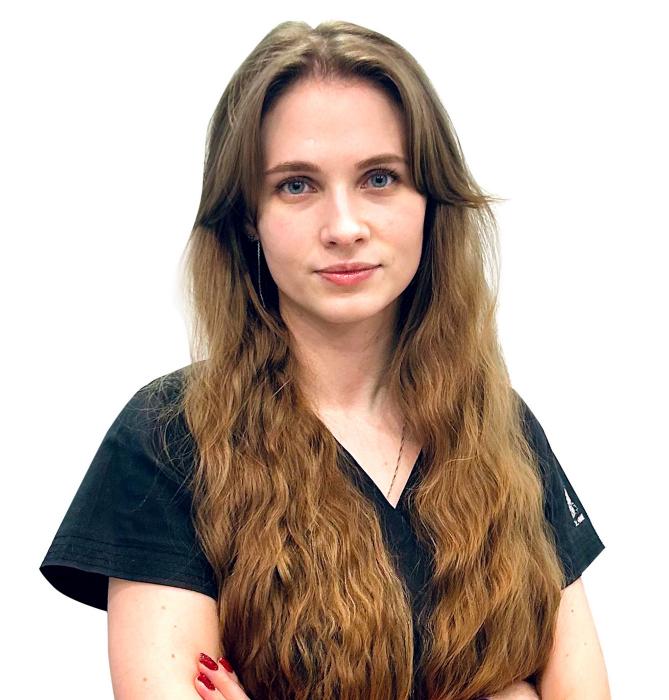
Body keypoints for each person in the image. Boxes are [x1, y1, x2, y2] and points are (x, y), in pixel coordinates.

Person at [40, 19, 609, 700]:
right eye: (296, 186)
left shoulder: (501, 428)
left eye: (380, 178)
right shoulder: (169, 439)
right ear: (247, 217)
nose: (343, 227)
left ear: (430, 203)